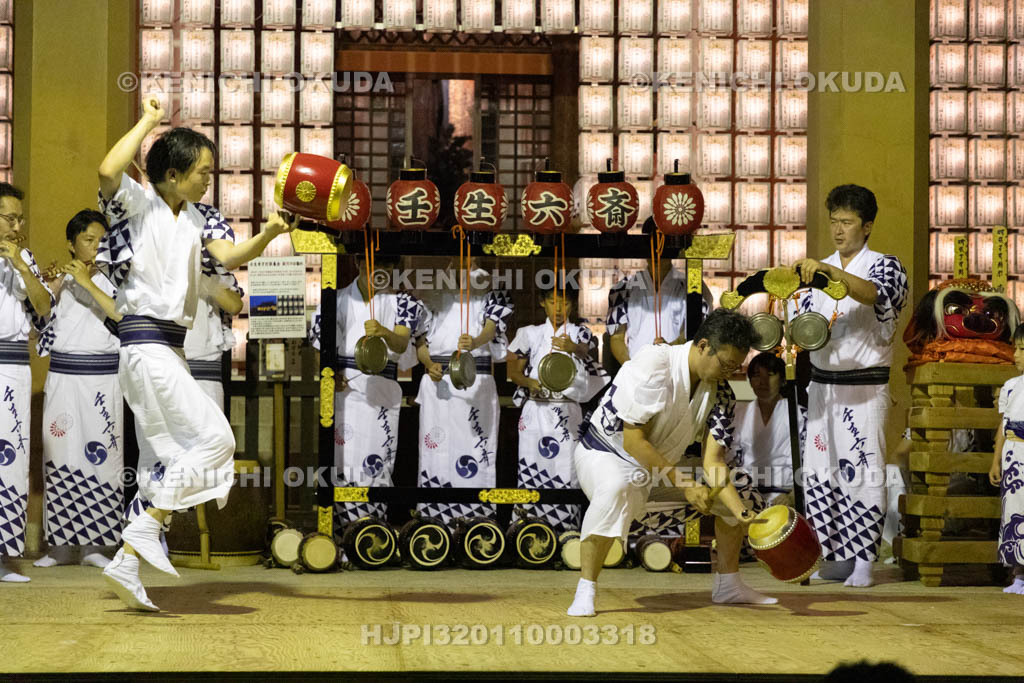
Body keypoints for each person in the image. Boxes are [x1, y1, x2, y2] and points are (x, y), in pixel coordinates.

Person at [97, 98, 298, 611]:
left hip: (169, 350)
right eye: (203, 172)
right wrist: (148, 120)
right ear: (172, 174)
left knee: (176, 459)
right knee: (216, 441)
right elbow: (107, 169)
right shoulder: (138, 204)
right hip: (145, 346)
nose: (210, 179)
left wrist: (268, 235)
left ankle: (126, 561)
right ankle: (146, 527)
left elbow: (229, 256)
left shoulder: (197, 219)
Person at [567, 308, 775, 617]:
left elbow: (714, 461)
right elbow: (633, 441)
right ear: (703, 345)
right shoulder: (655, 363)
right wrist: (685, 484)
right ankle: (586, 588)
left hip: (655, 471)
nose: (729, 372)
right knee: (617, 485)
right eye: (725, 364)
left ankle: (729, 584)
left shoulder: (721, 394)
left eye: (736, 367)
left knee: (739, 489)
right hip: (605, 454)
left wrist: (739, 512)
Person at [789, 184, 908, 588]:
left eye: (847, 222)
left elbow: (875, 295)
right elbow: (804, 326)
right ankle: (833, 555)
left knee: (863, 470)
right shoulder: (817, 269)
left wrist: (833, 275)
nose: (838, 230)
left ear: (867, 226)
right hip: (822, 387)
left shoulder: (885, 265)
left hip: (864, 388)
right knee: (821, 473)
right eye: (834, 221)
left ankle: (863, 561)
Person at [35, 210, 122, 570]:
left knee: (103, 459)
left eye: (102, 240)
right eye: (88, 240)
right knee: (61, 456)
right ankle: (59, 547)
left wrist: (87, 281)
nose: (96, 246)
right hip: (64, 377)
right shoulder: (60, 278)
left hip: (103, 379)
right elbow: (39, 320)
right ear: (71, 244)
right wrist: (51, 287)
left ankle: (96, 546)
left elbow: (121, 316)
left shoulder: (116, 278)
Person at [309, 253, 422, 531]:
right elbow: (319, 344)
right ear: (360, 263)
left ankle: (372, 530)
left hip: (380, 390)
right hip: (344, 389)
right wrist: (329, 373)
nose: (379, 270)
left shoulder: (402, 301)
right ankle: (338, 533)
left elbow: (400, 344)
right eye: (374, 264)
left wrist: (383, 331)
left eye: (386, 265)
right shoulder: (334, 299)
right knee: (340, 460)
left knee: (376, 463)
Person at [412, 259, 512, 527]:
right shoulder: (431, 295)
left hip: (474, 382)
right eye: (456, 262)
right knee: (436, 450)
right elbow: (420, 341)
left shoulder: (492, 291)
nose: (462, 266)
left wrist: (475, 341)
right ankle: (434, 519)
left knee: (476, 449)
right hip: (438, 382)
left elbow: (491, 327)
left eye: (467, 261)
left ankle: (477, 520)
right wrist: (428, 364)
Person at [506, 283, 607, 533]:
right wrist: (528, 382)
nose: (559, 308)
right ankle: (526, 526)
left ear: (572, 306)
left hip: (567, 409)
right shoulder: (529, 333)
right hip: (536, 409)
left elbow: (585, 350)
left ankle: (566, 529)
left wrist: (573, 348)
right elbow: (513, 372)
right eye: (553, 302)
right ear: (543, 303)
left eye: (565, 303)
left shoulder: (579, 333)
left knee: (567, 468)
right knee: (531, 463)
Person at [0, 182, 54, 583]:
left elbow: (43, 306)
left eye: (20, 220)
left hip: (14, 365)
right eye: (9, 218)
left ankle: (3, 557)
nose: (17, 227)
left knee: (11, 459)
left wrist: (20, 264)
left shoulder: (24, 258)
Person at [732, 351, 806, 505]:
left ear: (783, 380)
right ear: (750, 381)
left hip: (786, 491)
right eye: (756, 375)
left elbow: (811, 461)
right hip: (746, 492)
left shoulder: (800, 415)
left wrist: (793, 496)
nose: (763, 382)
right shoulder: (739, 414)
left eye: (770, 375)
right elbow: (731, 459)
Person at [606, 257, 711, 365]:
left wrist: (669, 350)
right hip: (636, 365)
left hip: (674, 366)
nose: (657, 254)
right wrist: (631, 367)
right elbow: (617, 337)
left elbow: (695, 332)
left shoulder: (692, 286)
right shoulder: (624, 287)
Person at [989, 324, 1024, 595]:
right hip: (1013, 456)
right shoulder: (1010, 387)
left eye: (1022, 350)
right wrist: (996, 459)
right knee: (1013, 512)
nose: (1016, 355)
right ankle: (1018, 574)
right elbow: (1004, 425)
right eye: (1016, 349)